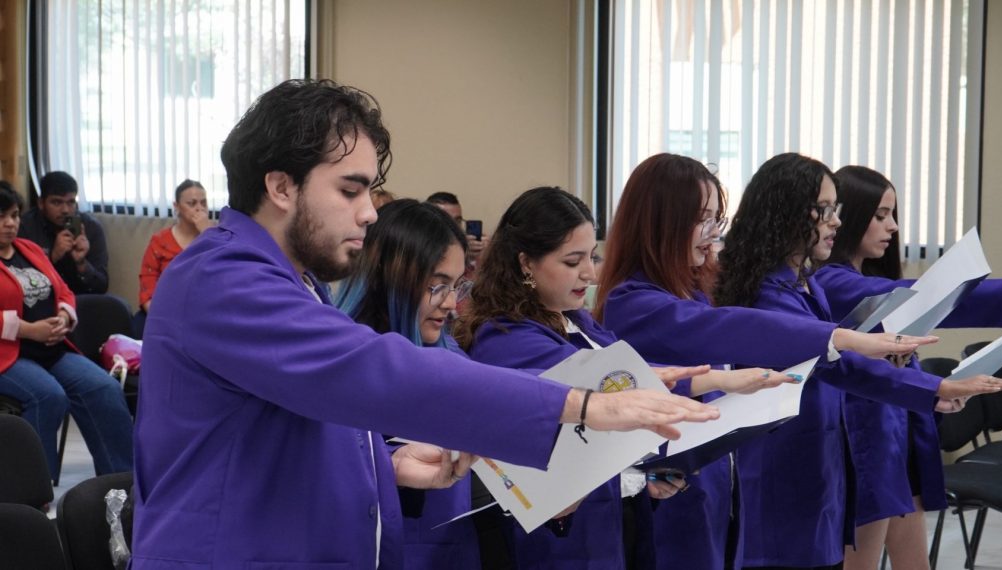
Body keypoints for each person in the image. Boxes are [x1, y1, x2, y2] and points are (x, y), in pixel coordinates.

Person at [131, 79, 717, 568]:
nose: (367, 211)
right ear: (281, 186)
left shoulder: (289, 280)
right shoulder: (222, 278)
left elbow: (284, 431)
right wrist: (583, 405)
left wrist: (383, 467)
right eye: (350, 189)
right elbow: (370, 370)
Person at [594, 153, 938, 570]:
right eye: (703, 219)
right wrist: (840, 338)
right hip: (674, 499)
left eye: (716, 219)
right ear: (663, 224)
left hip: (715, 489)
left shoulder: (696, 289)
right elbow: (729, 328)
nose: (712, 233)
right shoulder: (634, 303)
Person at [456, 186, 793, 569]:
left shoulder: (578, 321)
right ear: (525, 263)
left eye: (592, 256)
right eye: (572, 261)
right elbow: (601, 395)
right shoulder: (505, 338)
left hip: (612, 524)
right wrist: (710, 383)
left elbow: (627, 383)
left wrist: (641, 477)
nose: (590, 272)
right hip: (561, 542)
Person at [714, 152, 1002, 570]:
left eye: (835, 209)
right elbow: (840, 363)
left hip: (821, 458)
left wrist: (933, 390)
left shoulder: (801, 285)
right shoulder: (773, 293)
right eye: (824, 210)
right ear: (786, 213)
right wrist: (935, 388)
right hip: (788, 466)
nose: (834, 220)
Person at [818, 165, 1002, 569]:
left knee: (914, 561)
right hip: (865, 439)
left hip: (896, 429)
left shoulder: (862, 275)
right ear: (851, 216)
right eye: (880, 215)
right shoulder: (832, 280)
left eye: (893, 215)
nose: (892, 227)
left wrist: (939, 392)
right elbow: (912, 298)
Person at [335, 199, 480, 569]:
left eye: (457, 286)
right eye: (437, 286)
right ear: (393, 279)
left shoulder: (447, 350)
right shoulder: (346, 366)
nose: (451, 303)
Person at [0, 183, 133, 481]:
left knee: (104, 388)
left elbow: (63, 290)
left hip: (51, 348)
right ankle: (35, 491)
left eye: (14, 215)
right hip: (9, 355)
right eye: (1, 217)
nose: (10, 223)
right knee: (49, 396)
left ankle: (122, 484)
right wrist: (27, 330)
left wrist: (64, 314)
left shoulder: (30, 249)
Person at [135, 179, 212, 334]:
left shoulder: (214, 238)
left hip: (203, 314)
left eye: (203, 203)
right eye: (192, 203)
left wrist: (208, 234)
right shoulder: (160, 241)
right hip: (163, 312)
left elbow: (223, 277)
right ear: (176, 207)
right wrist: (163, 319)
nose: (199, 209)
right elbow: (147, 285)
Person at [19, 171, 109, 294]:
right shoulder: (25, 227)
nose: (65, 210)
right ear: (41, 203)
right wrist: (52, 258)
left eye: (71, 202)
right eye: (57, 202)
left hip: (80, 301)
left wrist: (82, 263)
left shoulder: (91, 227)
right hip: (42, 302)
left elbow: (101, 287)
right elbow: (21, 285)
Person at [427, 191, 486, 276]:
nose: (454, 227)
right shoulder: (419, 252)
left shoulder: (470, 252)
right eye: (446, 221)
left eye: (457, 221)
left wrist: (485, 259)